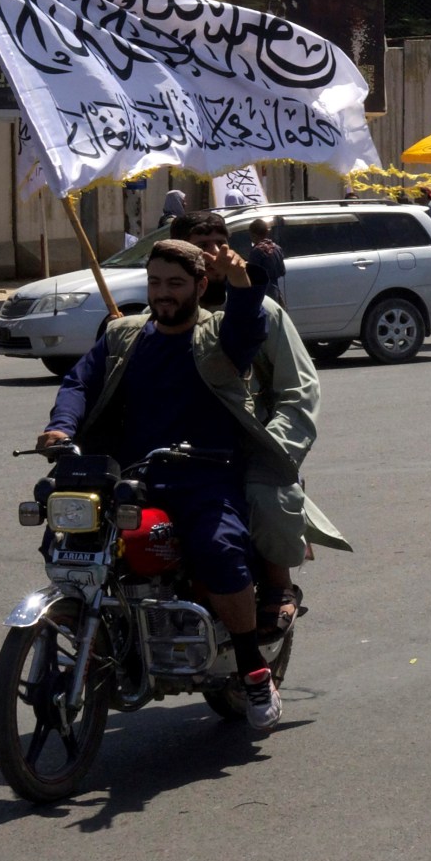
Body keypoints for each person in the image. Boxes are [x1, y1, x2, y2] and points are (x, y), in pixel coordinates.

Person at [36, 240, 283, 726]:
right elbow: (79, 383)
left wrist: (239, 278)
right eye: (155, 283)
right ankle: (107, 631)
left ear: (199, 286)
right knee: (68, 537)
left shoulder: (217, 336)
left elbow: (248, 326)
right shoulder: (124, 336)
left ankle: (254, 671)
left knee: (221, 551)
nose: (162, 293)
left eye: (174, 283)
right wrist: (61, 426)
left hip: (203, 475)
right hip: (132, 477)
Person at [177, 212, 351, 640]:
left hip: (249, 442)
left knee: (263, 492)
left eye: (220, 241)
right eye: (201, 244)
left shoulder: (263, 309)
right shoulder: (165, 311)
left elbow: (300, 387)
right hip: (177, 444)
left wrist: (274, 444)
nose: (213, 253)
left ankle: (278, 586)